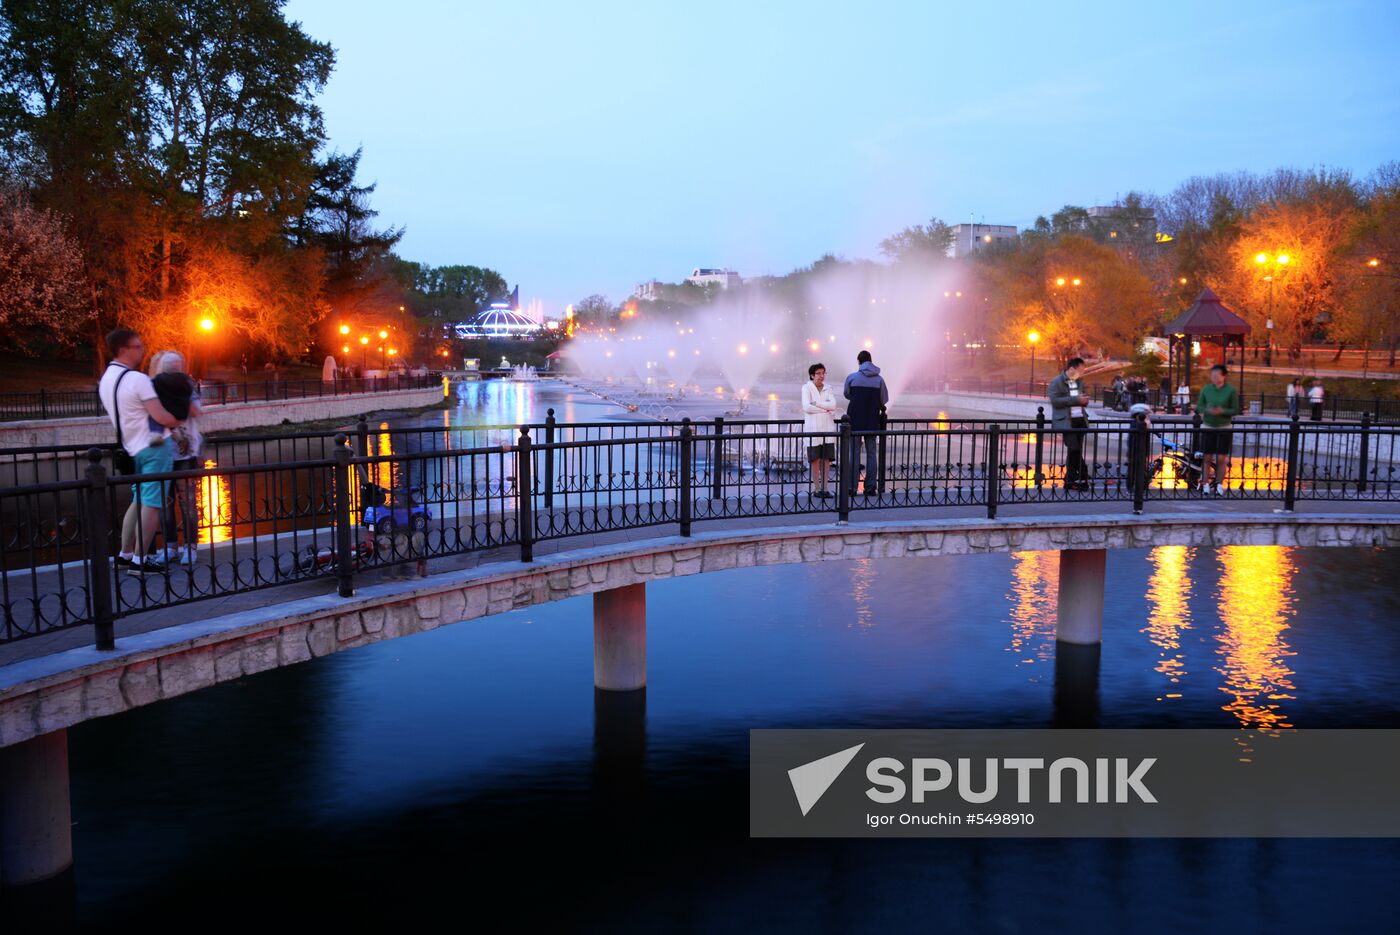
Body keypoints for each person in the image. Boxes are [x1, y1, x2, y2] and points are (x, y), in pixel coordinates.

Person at [98, 329, 180, 574]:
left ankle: (125, 554)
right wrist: (177, 421)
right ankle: (141, 560)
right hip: (155, 448)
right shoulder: (137, 379)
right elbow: (160, 416)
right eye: (138, 346)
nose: (142, 350)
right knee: (153, 504)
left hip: (132, 448)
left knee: (138, 500)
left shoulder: (107, 379)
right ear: (124, 349)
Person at [149, 350, 203, 565]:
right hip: (164, 452)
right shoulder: (154, 388)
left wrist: (179, 395)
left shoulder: (187, 386)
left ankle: (190, 547)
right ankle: (170, 546)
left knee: (187, 501)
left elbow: (196, 411)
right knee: (166, 502)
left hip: (185, 452)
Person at [842, 350, 889, 496]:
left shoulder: (852, 377)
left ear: (859, 362)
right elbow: (884, 399)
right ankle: (870, 487)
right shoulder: (879, 380)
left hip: (854, 420)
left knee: (854, 454)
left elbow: (847, 394)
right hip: (872, 420)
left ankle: (852, 488)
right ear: (871, 361)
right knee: (871, 453)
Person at [1047, 357, 1091, 491]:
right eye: (1081, 370)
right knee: (1074, 450)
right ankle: (1083, 475)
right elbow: (1055, 401)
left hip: (1080, 420)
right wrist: (1076, 399)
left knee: (1073, 453)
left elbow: (1080, 398)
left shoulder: (1079, 382)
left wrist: (1084, 400)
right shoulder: (1057, 382)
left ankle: (1070, 481)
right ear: (1072, 369)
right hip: (1067, 422)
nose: (1082, 373)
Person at [1195, 363, 1239, 496]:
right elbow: (1199, 407)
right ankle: (1205, 483)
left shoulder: (1230, 390)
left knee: (1221, 458)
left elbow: (1236, 409)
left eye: (1216, 375)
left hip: (1224, 427)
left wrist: (1222, 411)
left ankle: (1219, 484)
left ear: (1223, 376)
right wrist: (1206, 410)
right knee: (1207, 457)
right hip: (1208, 426)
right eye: (1212, 375)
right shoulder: (1207, 389)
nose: (1213, 377)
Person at [801, 362, 838, 499]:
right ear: (812, 375)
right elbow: (806, 407)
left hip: (828, 429)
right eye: (818, 373)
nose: (821, 376)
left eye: (823, 373)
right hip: (813, 429)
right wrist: (825, 409)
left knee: (826, 460)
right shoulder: (806, 388)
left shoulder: (828, 388)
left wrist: (817, 404)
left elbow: (833, 405)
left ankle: (825, 488)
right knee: (815, 460)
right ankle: (817, 489)